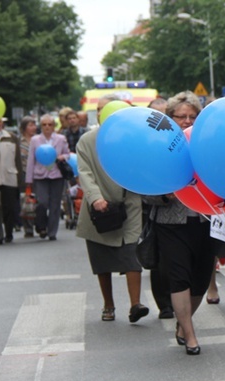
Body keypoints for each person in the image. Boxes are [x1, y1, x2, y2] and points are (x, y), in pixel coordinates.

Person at [146, 91, 213, 354]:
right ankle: (191, 334)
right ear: (170, 118)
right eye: (181, 116)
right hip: (171, 222)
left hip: (206, 219)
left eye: (192, 116)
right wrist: (166, 191)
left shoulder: (207, 143)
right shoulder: (158, 145)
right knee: (179, 277)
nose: (186, 120)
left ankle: (183, 323)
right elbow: (145, 189)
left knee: (200, 278)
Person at [76, 97, 149, 323]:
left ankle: (135, 304)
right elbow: (85, 173)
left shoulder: (135, 140)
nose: (102, 113)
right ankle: (108, 304)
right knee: (102, 259)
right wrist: (95, 198)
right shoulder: (87, 141)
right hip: (100, 210)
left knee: (131, 254)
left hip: (130, 205)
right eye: (99, 110)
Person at [145, 97, 174, 319]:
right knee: (161, 261)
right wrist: (163, 196)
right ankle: (164, 303)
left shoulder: (180, 139)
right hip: (158, 211)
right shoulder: (147, 144)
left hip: (190, 214)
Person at [25, 114, 70, 241]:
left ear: (54, 126)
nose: (47, 127)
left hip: (56, 175)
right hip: (40, 175)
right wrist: (29, 181)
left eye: (50, 124)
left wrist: (62, 157)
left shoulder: (61, 139)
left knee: (55, 205)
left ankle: (52, 232)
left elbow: (67, 153)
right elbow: (31, 160)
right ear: (41, 126)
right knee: (42, 202)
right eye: (44, 125)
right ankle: (41, 225)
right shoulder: (35, 140)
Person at [18, 116, 38, 238]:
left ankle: (39, 224)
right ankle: (28, 228)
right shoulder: (19, 142)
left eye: (34, 125)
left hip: (38, 173)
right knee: (25, 201)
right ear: (24, 128)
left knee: (38, 200)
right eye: (30, 125)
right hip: (24, 173)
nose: (33, 127)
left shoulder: (39, 140)